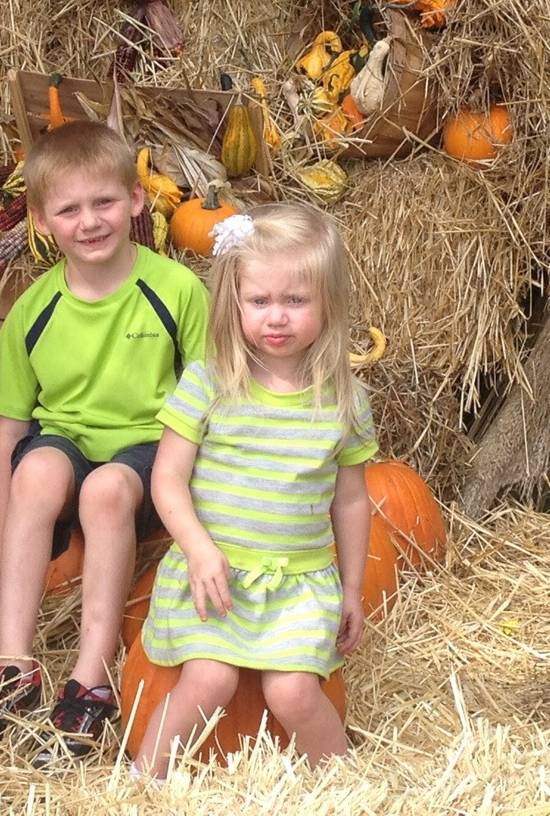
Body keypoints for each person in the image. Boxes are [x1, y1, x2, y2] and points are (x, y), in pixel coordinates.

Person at [0, 119, 209, 763]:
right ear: (41, 223)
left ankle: (92, 678)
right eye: (69, 210)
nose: (90, 221)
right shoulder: (35, 307)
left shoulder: (176, 290)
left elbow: (211, 403)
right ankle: (13, 664)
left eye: (104, 202)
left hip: (150, 456)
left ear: (136, 200)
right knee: (37, 470)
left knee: (105, 490)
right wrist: (1, 538)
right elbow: (10, 428)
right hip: (66, 447)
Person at [133, 202, 377, 779]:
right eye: (260, 301)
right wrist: (198, 549)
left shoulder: (344, 400)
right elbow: (166, 478)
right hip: (215, 575)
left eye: (296, 300)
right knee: (209, 679)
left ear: (328, 303)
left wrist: (353, 587)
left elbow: (349, 501)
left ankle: (346, 785)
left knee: (293, 693)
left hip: (298, 586)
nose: (277, 317)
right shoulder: (209, 382)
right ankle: (143, 780)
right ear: (234, 303)